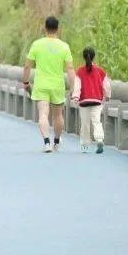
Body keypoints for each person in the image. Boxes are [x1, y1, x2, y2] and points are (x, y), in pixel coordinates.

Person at [22, 16, 76, 153]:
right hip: (57, 85)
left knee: (43, 114)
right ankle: (56, 141)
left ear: (44, 28)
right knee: (58, 115)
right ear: (58, 29)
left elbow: (27, 66)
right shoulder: (64, 46)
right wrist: (73, 87)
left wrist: (26, 82)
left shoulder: (37, 44)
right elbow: (70, 68)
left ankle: (46, 143)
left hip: (41, 84)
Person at [71, 47, 111, 154]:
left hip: (84, 101)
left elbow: (77, 86)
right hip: (97, 100)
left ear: (83, 57)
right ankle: (99, 139)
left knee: (85, 123)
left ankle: (84, 144)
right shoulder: (100, 71)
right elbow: (106, 85)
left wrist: (76, 97)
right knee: (96, 121)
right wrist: (107, 95)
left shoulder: (80, 71)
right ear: (94, 57)